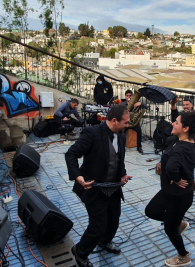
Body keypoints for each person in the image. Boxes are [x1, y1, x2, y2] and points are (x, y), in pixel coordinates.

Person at [65, 105, 132, 267]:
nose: (128, 125)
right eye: (126, 122)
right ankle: (80, 252)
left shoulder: (121, 136)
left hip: (113, 188)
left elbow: (118, 160)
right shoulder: (92, 133)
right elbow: (71, 154)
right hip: (93, 188)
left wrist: (122, 174)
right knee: (98, 225)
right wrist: (78, 176)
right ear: (114, 120)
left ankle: (104, 241)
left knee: (114, 220)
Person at [145, 111, 195, 267]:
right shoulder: (179, 139)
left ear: (186, 128)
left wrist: (176, 179)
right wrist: (161, 164)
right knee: (150, 211)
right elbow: (169, 162)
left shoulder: (182, 148)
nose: (172, 123)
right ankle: (179, 223)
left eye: (176, 122)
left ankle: (184, 256)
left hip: (179, 196)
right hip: (169, 192)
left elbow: (172, 167)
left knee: (170, 229)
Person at [121, 89, 148, 154]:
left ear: (132, 96)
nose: (129, 97)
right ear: (125, 96)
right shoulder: (122, 104)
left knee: (139, 130)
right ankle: (121, 146)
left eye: (130, 96)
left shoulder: (136, 103)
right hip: (125, 122)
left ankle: (139, 146)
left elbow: (146, 107)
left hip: (133, 123)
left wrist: (141, 103)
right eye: (127, 96)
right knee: (121, 131)